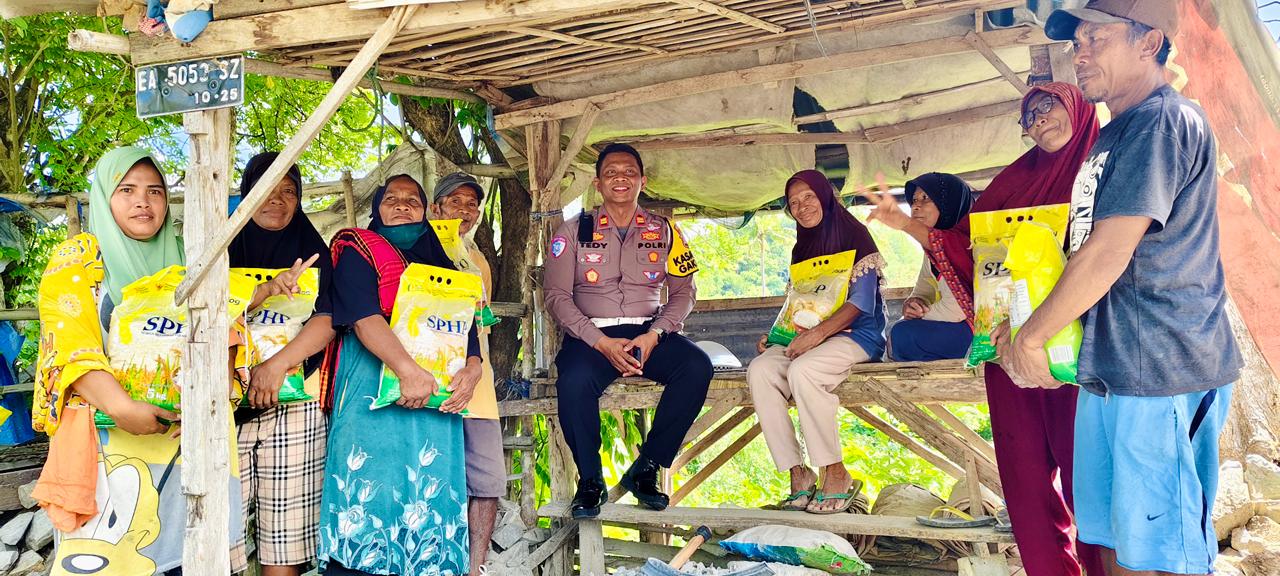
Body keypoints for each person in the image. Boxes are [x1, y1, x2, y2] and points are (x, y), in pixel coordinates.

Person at [1002, 3, 1241, 575]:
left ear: (1148, 43)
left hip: (1162, 368)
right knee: (1111, 539)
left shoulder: (1163, 122)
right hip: (1112, 368)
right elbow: (1083, 251)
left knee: (1161, 554)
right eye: (1077, 43)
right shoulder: (1116, 133)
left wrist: (1031, 338)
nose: (1080, 54)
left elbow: (1109, 251)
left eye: (1097, 39)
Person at [863, 81, 1106, 576]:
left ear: (1077, 107)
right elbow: (964, 247)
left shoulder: (1107, 170)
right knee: (1024, 479)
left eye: (1048, 106)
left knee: (1091, 481)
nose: (1039, 119)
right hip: (1006, 350)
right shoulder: (1010, 184)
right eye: (1029, 115)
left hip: (1081, 354)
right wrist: (905, 224)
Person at [30, 146, 250, 574]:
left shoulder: (194, 259)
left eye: (155, 191)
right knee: (108, 556)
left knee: (192, 557)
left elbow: (228, 331)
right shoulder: (79, 260)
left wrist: (209, 401)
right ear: (104, 197)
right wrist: (123, 407)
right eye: (126, 190)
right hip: (108, 448)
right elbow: (70, 346)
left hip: (190, 446)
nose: (142, 202)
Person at [315, 174, 483, 575]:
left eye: (413, 200)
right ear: (377, 208)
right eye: (392, 198)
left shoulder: (443, 262)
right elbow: (362, 317)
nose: (403, 204)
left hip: (435, 404)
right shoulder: (358, 249)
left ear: (425, 212)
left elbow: (466, 328)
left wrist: (473, 369)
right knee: (371, 490)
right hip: (370, 395)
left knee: (427, 491)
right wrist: (408, 371)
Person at [544, 143, 713, 519]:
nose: (620, 179)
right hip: (591, 337)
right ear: (598, 183)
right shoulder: (571, 231)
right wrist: (600, 342)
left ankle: (647, 467)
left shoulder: (666, 230)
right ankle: (590, 481)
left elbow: (684, 293)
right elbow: (556, 296)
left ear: (642, 181)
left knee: (696, 366)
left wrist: (655, 334)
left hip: (647, 335)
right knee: (573, 382)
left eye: (629, 172)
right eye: (611, 173)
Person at [747, 169, 887, 514]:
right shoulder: (802, 247)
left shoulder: (856, 235)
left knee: (804, 371)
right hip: (809, 338)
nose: (802, 206)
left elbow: (861, 304)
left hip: (856, 336)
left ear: (825, 197)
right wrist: (776, 337)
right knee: (760, 370)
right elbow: (800, 307)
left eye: (808, 197)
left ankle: (835, 472)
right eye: (794, 202)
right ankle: (799, 473)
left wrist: (817, 335)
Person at [232, 152, 336, 576]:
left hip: (296, 408)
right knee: (220, 536)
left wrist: (275, 367)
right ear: (247, 194)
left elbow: (329, 319)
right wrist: (263, 290)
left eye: (289, 191)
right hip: (225, 409)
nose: (278, 200)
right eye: (266, 189)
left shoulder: (312, 252)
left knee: (286, 544)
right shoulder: (218, 249)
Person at [430, 172, 503, 575]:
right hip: (430, 377)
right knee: (432, 471)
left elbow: (481, 323)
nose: (464, 210)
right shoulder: (419, 248)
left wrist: (475, 368)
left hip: (477, 378)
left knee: (487, 477)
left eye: (471, 204)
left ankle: (476, 568)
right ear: (435, 208)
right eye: (454, 202)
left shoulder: (478, 261)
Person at [888, 173, 974, 362]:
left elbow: (956, 310)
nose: (915, 206)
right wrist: (912, 304)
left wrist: (919, 315)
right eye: (914, 200)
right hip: (956, 329)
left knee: (903, 334)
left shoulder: (966, 244)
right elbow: (923, 291)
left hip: (980, 333)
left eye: (925, 198)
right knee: (901, 332)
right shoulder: (932, 249)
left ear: (948, 203)